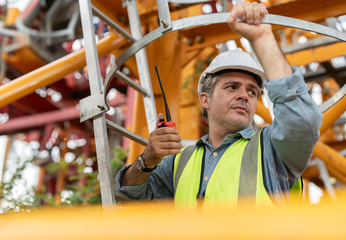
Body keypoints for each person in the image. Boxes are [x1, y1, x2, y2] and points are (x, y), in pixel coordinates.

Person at [115, 1, 322, 207]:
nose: (244, 96)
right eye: (232, 87)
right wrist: (147, 160)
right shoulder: (179, 163)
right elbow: (128, 197)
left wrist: (263, 39)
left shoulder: (270, 150)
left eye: (252, 91)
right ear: (205, 99)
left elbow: (301, 123)